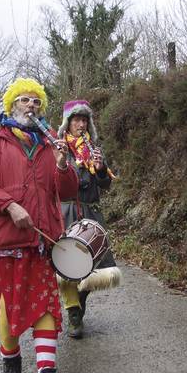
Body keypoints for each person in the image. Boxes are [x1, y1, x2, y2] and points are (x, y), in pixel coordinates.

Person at [0, 78, 78, 373]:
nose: (32, 106)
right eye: (25, 101)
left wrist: (62, 164)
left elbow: (68, 191)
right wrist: (9, 204)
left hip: (42, 241)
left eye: (36, 102)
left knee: (46, 306)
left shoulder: (49, 146)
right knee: (9, 308)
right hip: (5, 241)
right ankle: (10, 362)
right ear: (11, 105)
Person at [55, 99, 121, 338]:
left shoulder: (94, 148)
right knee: (67, 267)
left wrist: (101, 169)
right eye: (76, 120)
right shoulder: (60, 148)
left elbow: (105, 185)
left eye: (84, 120)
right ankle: (73, 312)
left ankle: (78, 306)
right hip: (68, 211)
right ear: (68, 123)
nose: (80, 124)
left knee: (92, 267)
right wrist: (63, 162)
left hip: (91, 212)